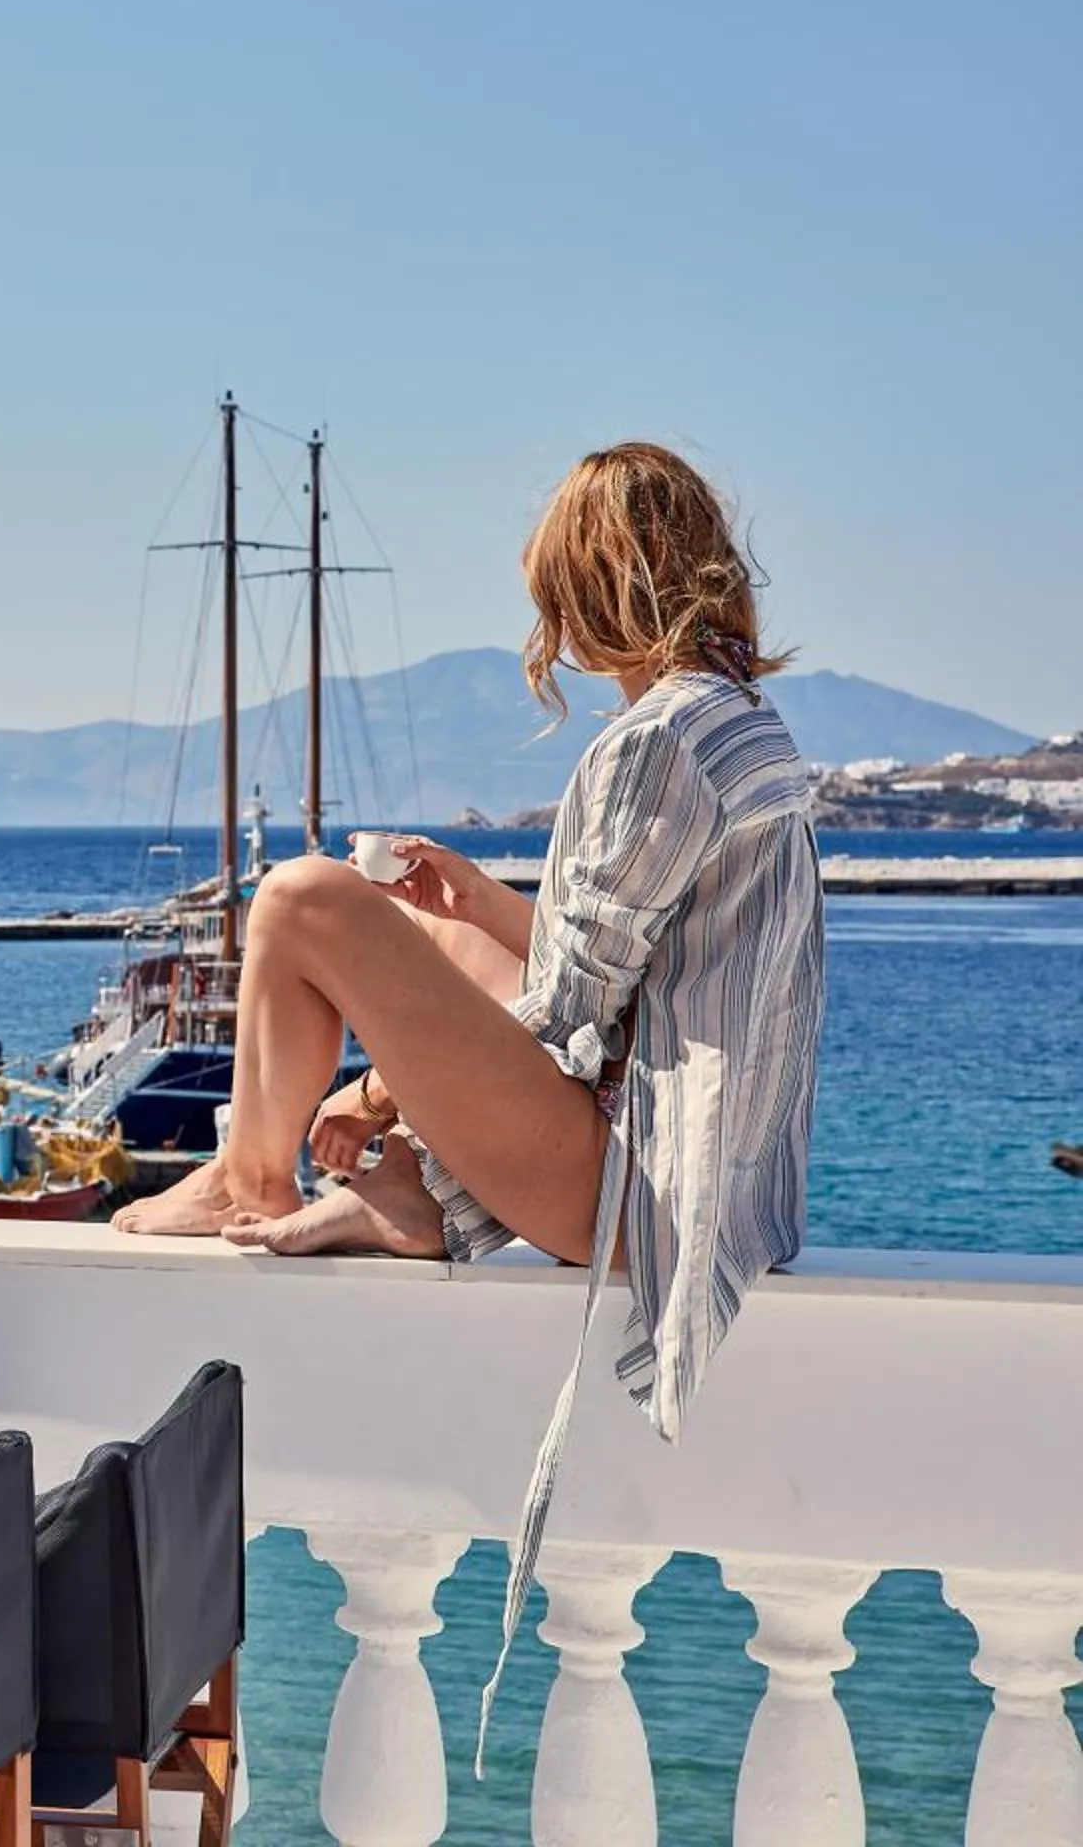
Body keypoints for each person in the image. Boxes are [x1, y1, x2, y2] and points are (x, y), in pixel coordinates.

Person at [113, 440, 827, 1754]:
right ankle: (372, 1196)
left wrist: (382, 1097)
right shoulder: (745, 730)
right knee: (431, 931)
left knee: (303, 899)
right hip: (689, 1180)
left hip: (626, 1191)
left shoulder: (655, 745)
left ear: (593, 586)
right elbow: (625, 973)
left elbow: (568, 1014)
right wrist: (482, 913)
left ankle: (251, 1176)